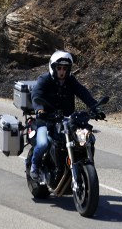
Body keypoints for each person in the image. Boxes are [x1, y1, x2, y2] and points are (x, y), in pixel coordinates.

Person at [29, 49, 103, 181]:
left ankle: (86, 164)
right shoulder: (44, 80)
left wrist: (95, 108)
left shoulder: (71, 81)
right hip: (46, 120)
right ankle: (34, 166)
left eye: (65, 68)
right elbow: (36, 95)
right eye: (59, 68)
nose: (62, 71)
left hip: (67, 120)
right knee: (43, 144)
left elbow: (84, 93)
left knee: (87, 139)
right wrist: (40, 109)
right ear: (53, 68)